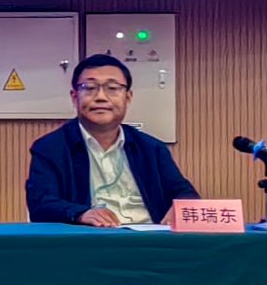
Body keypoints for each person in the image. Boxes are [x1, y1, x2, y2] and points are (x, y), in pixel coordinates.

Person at [25, 53, 198, 226]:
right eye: (89, 87)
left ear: (128, 97)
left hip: (150, 237)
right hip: (90, 237)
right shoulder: (50, 148)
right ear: (74, 97)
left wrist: (181, 207)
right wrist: (80, 214)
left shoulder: (152, 149)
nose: (100, 97)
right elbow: (41, 204)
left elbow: (185, 193)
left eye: (112, 88)